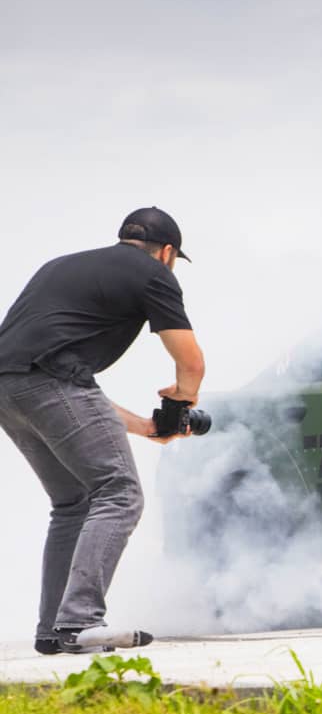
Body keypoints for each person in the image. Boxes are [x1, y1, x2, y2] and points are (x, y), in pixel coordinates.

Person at [0, 208, 205, 654]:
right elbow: (191, 364)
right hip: (50, 382)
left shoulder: (59, 267)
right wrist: (183, 400)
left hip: (8, 389)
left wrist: (150, 426)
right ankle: (80, 622)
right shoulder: (154, 274)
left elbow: (64, 393)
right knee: (120, 493)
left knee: (73, 503)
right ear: (168, 252)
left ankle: (53, 629)